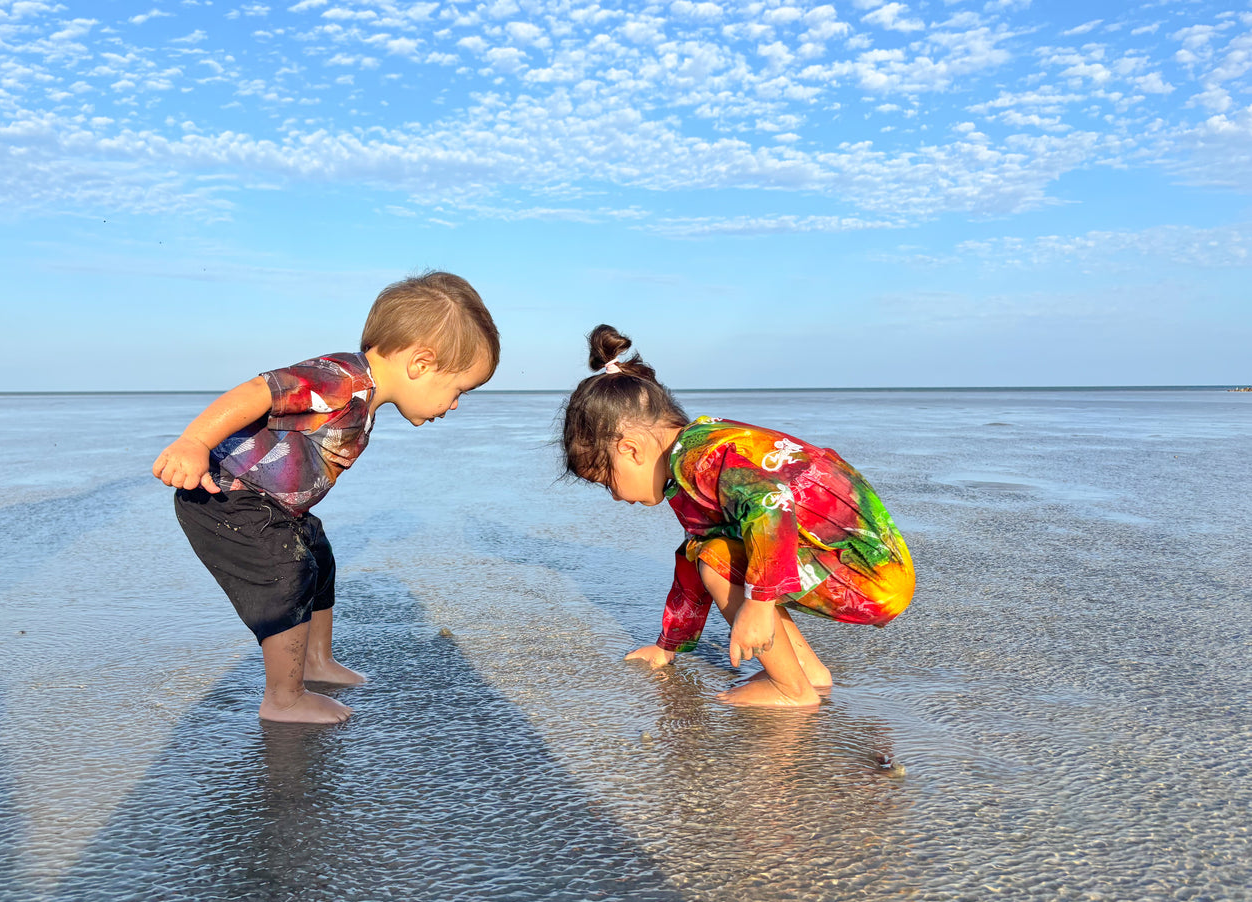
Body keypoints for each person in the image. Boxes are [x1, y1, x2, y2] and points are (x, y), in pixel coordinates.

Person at [153, 272, 499, 724]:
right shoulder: (339, 380)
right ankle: (283, 698)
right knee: (287, 569)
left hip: (271, 503)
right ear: (421, 363)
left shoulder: (365, 397)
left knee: (317, 553)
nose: (453, 405)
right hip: (226, 495)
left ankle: (316, 661)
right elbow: (261, 390)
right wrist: (194, 442)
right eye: (458, 391)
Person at [560, 325, 914, 709]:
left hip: (865, 572)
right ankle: (806, 672)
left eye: (606, 481)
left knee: (719, 558)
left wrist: (759, 604)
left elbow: (770, 504)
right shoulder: (694, 456)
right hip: (864, 563)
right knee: (719, 552)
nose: (615, 496)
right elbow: (692, 562)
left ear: (630, 450)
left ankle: (792, 690)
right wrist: (668, 646)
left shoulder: (703, 461)